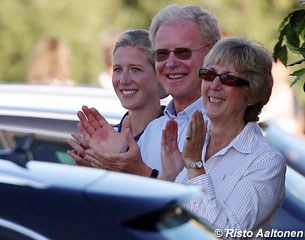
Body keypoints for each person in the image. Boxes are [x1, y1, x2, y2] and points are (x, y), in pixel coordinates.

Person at [159, 37, 286, 233]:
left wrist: (194, 165)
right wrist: (169, 176)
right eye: (209, 74)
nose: (214, 85)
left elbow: (226, 233)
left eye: (228, 79)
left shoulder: (266, 161)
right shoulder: (194, 137)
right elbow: (166, 222)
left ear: (252, 95)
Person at [82, 4, 221, 177]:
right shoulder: (154, 129)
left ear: (212, 54)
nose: (170, 63)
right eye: (162, 54)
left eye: (182, 52)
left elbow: (202, 202)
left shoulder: (223, 126)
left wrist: (141, 172)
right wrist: (105, 168)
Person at [67, 29, 166, 167]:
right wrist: (91, 170)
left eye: (135, 69)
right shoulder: (106, 139)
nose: (124, 80)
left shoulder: (176, 135)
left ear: (158, 73)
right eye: (117, 69)